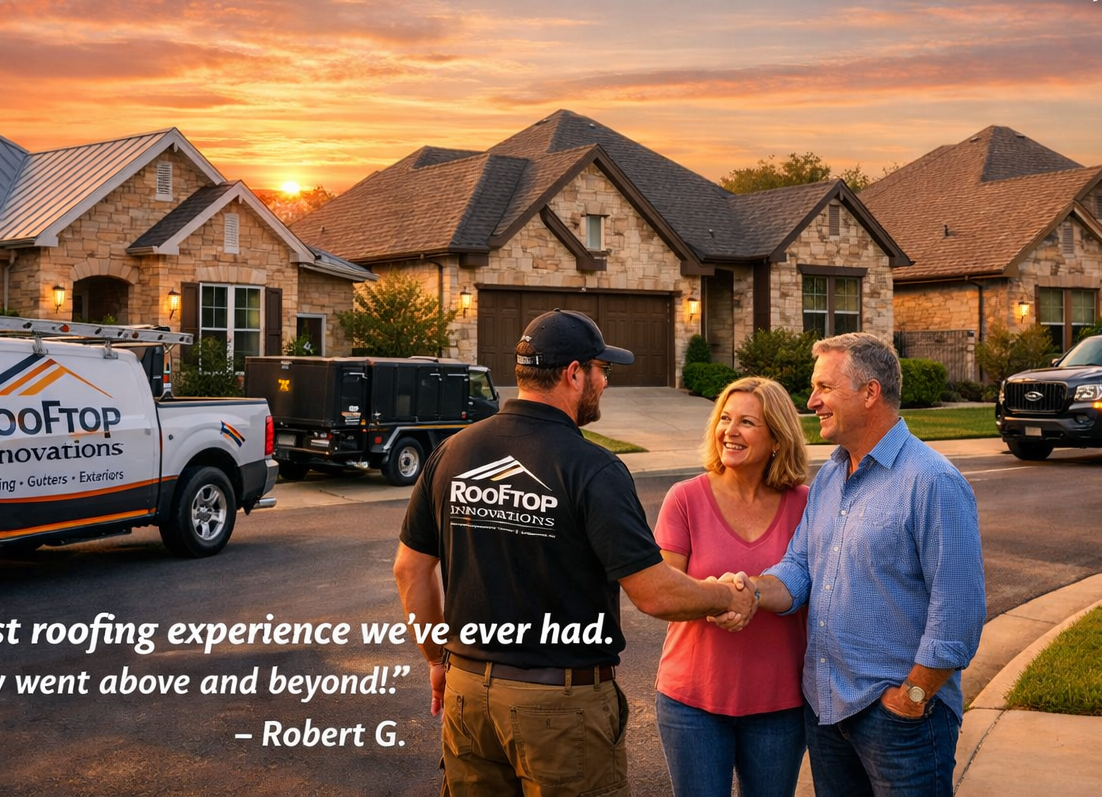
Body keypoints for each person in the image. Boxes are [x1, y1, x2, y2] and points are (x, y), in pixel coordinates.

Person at [393, 309, 758, 797]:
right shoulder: (593, 468)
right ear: (573, 374)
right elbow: (654, 593)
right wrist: (726, 597)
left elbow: (410, 571)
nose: (604, 382)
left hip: (467, 694)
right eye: (601, 369)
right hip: (559, 707)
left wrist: (437, 659)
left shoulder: (453, 453)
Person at [748, 332, 986, 797]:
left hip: (899, 722)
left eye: (824, 388)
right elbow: (800, 566)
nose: (812, 400)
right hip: (826, 709)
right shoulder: (833, 475)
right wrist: (750, 592)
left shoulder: (933, 481)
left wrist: (912, 698)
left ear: (870, 392)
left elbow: (957, 614)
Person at [653, 376, 810, 797]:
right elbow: (666, 591)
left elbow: (810, 585)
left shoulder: (806, 504)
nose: (730, 431)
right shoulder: (684, 498)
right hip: (692, 700)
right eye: (725, 418)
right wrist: (723, 595)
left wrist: (745, 594)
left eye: (747, 422)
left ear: (777, 438)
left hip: (780, 702)